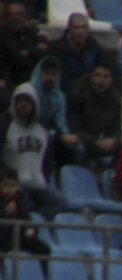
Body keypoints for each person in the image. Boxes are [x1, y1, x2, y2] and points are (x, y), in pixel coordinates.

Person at [0, 84, 65, 219]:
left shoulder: (42, 126)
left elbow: (48, 158)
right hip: (14, 185)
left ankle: (35, 221)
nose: (23, 104)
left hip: (38, 184)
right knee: (23, 206)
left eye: (27, 101)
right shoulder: (5, 122)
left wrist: (44, 178)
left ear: (34, 103)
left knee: (61, 202)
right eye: (20, 100)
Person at [66, 61, 122, 165]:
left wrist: (113, 140)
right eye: (98, 75)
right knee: (79, 148)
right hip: (82, 140)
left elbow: (116, 127)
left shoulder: (115, 98)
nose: (101, 80)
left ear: (111, 80)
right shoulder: (78, 93)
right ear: (91, 76)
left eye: (106, 77)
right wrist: (96, 142)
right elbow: (74, 127)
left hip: (100, 141)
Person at [30, 57, 81, 163]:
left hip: (50, 134)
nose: (50, 78)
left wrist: (66, 135)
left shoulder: (59, 96)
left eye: (54, 74)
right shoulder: (30, 92)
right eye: (47, 73)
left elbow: (60, 121)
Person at [49, 13, 114, 93]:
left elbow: (110, 64)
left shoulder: (93, 45)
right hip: (68, 93)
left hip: (91, 91)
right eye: (76, 28)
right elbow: (61, 79)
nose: (80, 31)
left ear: (88, 30)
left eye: (83, 27)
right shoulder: (58, 48)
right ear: (69, 29)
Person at [0, 165, 51, 255]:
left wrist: (31, 230)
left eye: (13, 186)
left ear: (18, 186)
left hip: (20, 237)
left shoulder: (21, 199)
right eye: (6, 185)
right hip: (3, 237)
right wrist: (5, 213)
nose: (10, 189)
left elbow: (26, 218)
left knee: (44, 249)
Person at [0, 1, 50, 87]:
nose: (15, 17)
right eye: (12, 14)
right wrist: (35, 51)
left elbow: (45, 54)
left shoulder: (32, 32)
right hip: (13, 80)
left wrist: (29, 51)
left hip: (35, 79)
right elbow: (15, 58)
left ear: (25, 17)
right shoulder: (3, 35)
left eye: (18, 14)